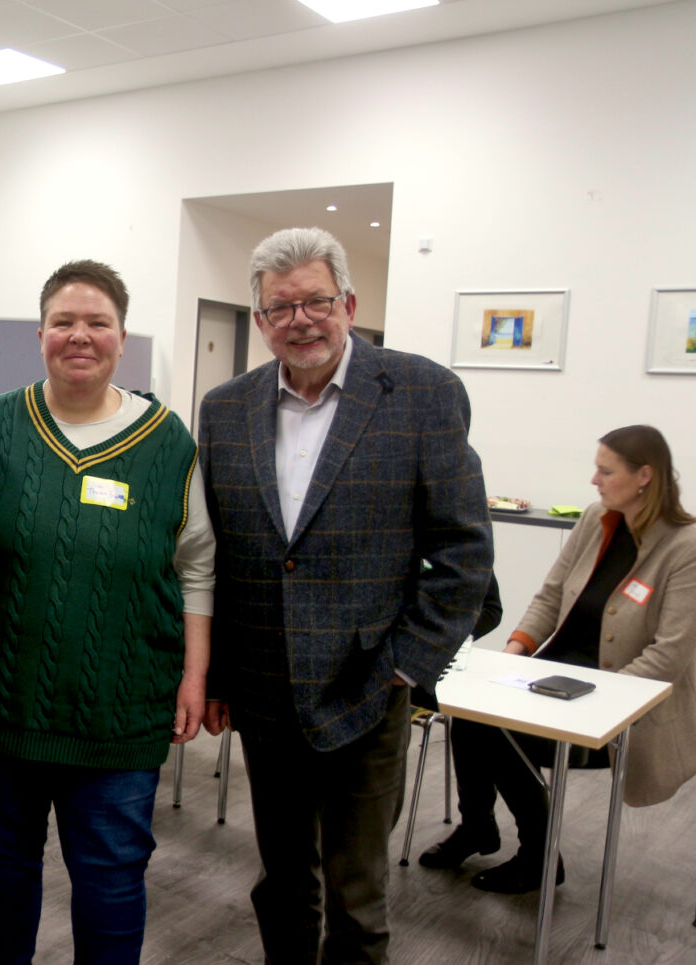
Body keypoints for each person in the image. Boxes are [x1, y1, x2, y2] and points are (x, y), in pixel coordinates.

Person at [198, 227, 493, 963]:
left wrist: (405, 664)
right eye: (280, 307)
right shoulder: (225, 408)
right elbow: (227, 554)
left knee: (357, 897)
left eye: (316, 301)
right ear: (261, 320)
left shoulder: (422, 392)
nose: (300, 319)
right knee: (281, 880)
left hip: (367, 685)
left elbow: (463, 552)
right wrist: (224, 674)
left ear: (350, 303)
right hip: (267, 692)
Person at [0, 260, 214, 964]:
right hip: (0, 708)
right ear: (39, 334)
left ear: (121, 337)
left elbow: (197, 564)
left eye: (97, 322)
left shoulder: (168, 441)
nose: (80, 335)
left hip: (122, 712)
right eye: (64, 321)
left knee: (111, 876)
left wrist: (194, 675)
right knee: (3, 868)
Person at [419, 425, 696, 893]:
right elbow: (550, 596)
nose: (594, 480)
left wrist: (594, 698)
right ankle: (478, 827)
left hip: (628, 703)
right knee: (470, 712)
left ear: (645, 475)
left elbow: (667, 657)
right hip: (553, 673)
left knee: (496, 731)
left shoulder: (693, 550)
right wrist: (512, 655)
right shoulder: (597, 518)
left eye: (605, 470)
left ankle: (538, 856)